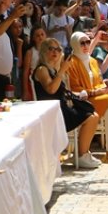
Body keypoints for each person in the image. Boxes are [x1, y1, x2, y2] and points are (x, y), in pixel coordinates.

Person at [33, 38, 101, 170]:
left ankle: (83, 153)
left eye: (58, 49)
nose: (55, 52)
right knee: (91, 116)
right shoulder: (42, 69)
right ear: (43, 52)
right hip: (52, 113)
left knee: (93, 114)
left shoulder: (53, 69)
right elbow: (51, 89)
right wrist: (62, 71)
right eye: (50, 49)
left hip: (61, 109)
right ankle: (82, 155)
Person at [66, 32, 108, 160]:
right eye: (82, 43)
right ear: (74, 44)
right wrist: (96, 92)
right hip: (80, 101)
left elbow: (98, 81)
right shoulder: (70, 62)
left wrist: (103, 86)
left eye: (88, 42)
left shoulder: (92, 61)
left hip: (96, 97)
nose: (85, 45)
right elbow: (75, 89)